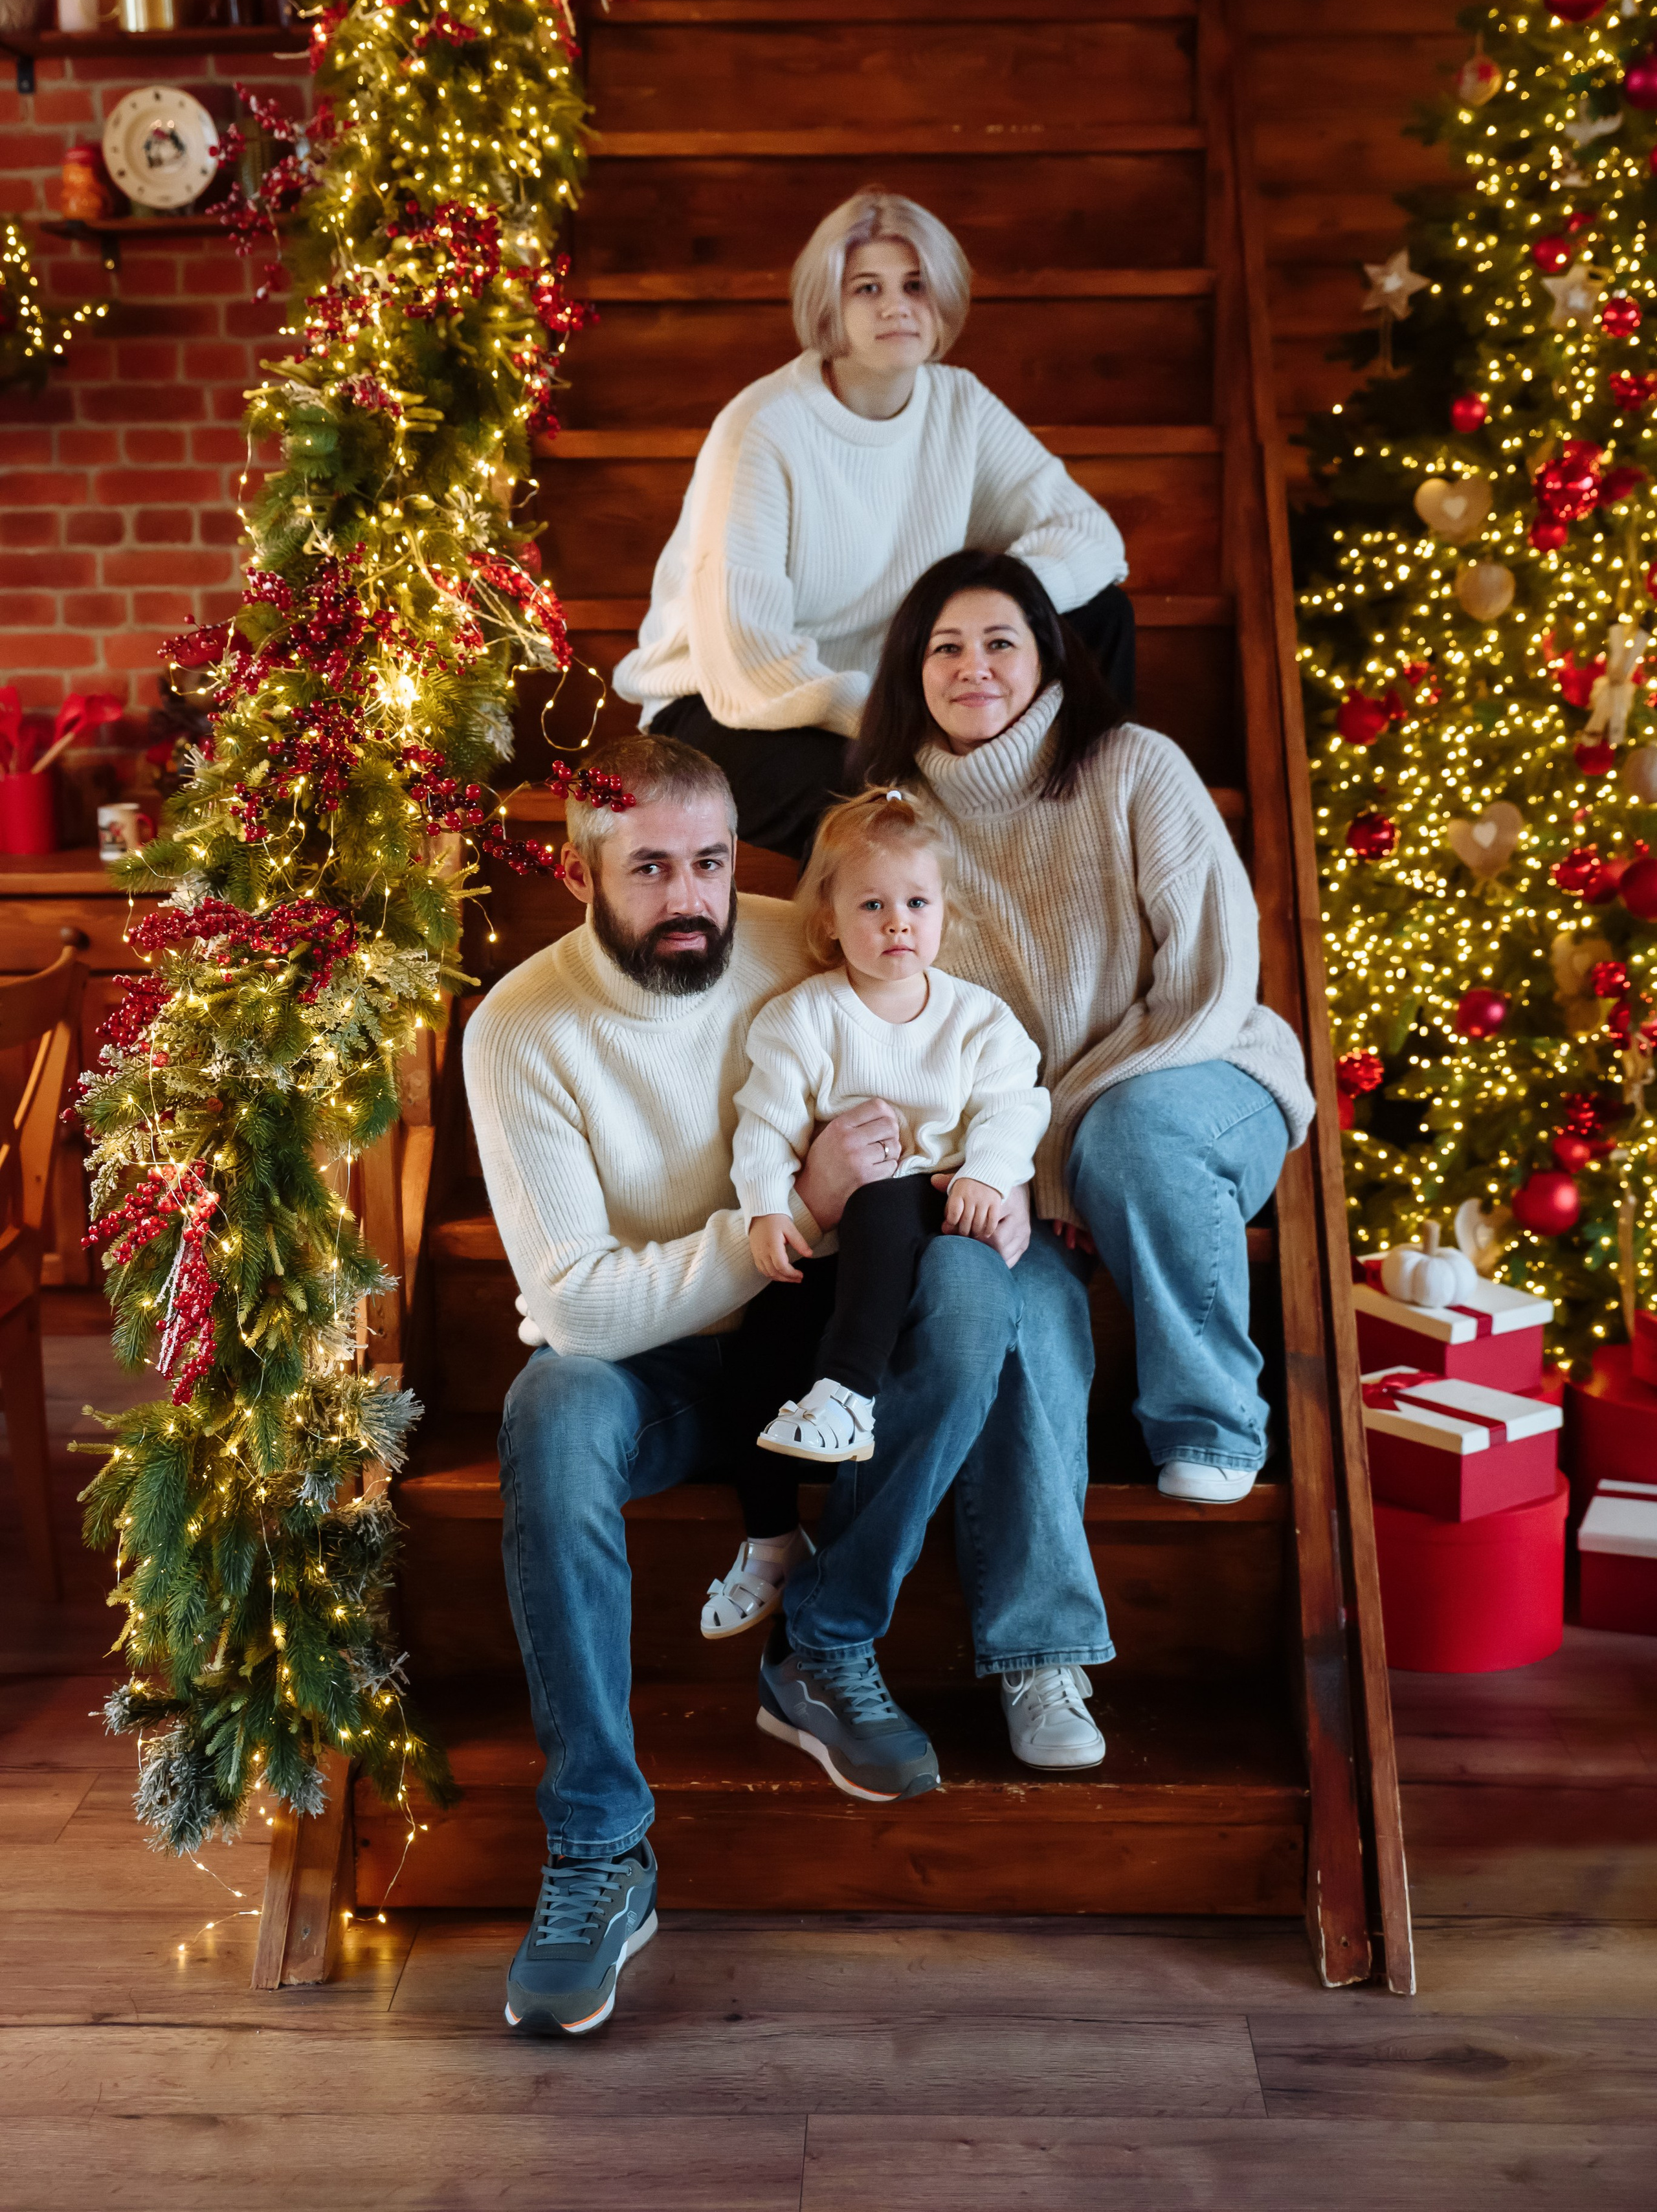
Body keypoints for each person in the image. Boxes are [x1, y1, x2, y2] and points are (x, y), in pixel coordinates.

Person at [464, 731, 1112, 2040]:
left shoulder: (806, 936)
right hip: (654, 1373)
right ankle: (599, 1845)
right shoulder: (521, 1029)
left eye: (709, 860)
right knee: (551, 1406)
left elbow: (961, 1055)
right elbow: (578, 1306)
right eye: (649, 868)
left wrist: (984, 1186)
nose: (690, 896)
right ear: (581, 871)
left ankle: (821, 1640)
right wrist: (800, 1213)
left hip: (820, 1351)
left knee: (983, 1293)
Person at [849, 550, 1318, 1507]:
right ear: (913, 672)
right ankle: (1042, 1639)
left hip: (1205, 1077)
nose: (972, 664)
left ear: (1050, 658)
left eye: (999, 641)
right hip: (1029, 1142)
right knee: (1001, 1284)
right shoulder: (899, 825)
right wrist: (1007, 1161)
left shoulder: (1135, 765)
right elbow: (911, 1025)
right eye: (945, 646)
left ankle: (1214, 1420)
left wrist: (1051, 1144)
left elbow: (1208, 985)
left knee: (1133, 1132)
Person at [612, 187, 1133, 860]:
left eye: (916, 285)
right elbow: (752, 663)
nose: (896, 306)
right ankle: (931, 939)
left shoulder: (959, 405)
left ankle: (1087, 820)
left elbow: (1089, 534)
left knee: (1100, 615)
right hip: (734, 708)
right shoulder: (764, 428)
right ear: (830, 303)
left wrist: (996, 618)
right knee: (878, 804)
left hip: (903, 689)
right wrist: (910, 716)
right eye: (867, 288)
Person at [732, 788, 1047, 1481]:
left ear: (944, 912)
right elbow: (766, 1123)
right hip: (847, 1230)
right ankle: (768, 1538)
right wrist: (765, 1205)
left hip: (946, 1201)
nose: (896, 923)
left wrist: (988, 1173)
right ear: (831, 920)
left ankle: (849, 1392)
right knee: (763, 1336)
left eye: (916, 903)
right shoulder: (801, 1019)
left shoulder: (979, 1019)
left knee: (880, 1203)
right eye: (872, 905)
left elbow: (1016, 1105)